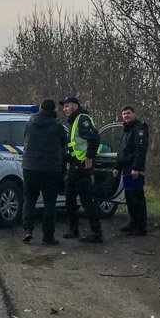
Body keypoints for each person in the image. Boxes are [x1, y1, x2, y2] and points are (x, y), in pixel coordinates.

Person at [21, 98, 67, 245]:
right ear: (53, 110)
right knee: (49, 203)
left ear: (41, 108)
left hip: (29, 167)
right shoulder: (57, 126)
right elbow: (64, 145)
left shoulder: (30, 122)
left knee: (29, 199)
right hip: (50, 169)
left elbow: (25, 139)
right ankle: (48, 237)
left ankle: (28, 230)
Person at [60, 96, 104, 243]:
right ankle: (74, 229)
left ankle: (96, 232)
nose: (64, 109)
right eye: (64, 107)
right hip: (74, 165)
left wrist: (89, 158)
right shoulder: (74, 121)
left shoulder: (82, 119)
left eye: (67, 106)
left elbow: (94, 138)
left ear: (75, 106)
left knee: (85, 200)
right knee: (70, 198)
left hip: (82, 166)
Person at [113, 105, 150, 235]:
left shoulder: (139, 129)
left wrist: (136, 168)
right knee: (129, 197)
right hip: (126, 168)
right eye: (124, 114)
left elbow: (141, 150)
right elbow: (122, 151)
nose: (126, 116)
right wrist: (117, 167)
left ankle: (141, 227)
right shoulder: (126, 130)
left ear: (133, 114)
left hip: (134, 169)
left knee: (137, 197)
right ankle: (133, 222)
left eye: (128, 113)